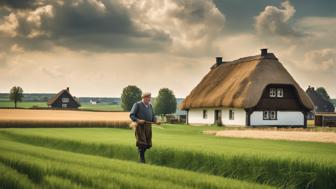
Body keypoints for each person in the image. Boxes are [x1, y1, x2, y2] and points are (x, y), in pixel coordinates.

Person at [130, 92, 159, 163]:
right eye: (147, 97)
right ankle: (142, 160)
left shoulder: (150, 106)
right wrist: (138, 120)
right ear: (143, 98)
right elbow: (131, 115)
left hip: (148, 127)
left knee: (147, 144)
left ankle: (140, 155)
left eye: (149, 98)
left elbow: (153, 116)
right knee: (142, 143)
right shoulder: (137, 105)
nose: (149, 99)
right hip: (140, 126)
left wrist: (156, 121)